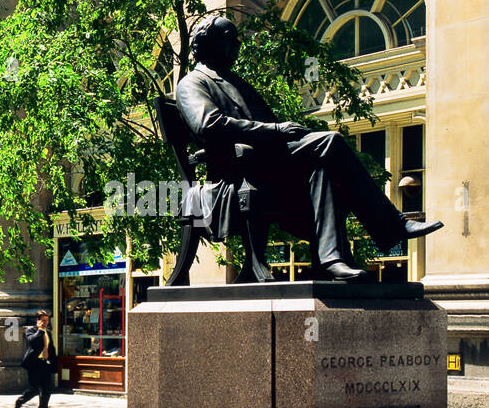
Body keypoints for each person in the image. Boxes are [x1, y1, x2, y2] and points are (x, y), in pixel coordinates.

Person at [175, 16, 442, 281]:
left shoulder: (235, 82)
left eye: (236, 41)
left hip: (268, 163)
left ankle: (332, 260)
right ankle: (391, 226)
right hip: (237, 171)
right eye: (229, 40)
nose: (236, 46)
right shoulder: (192, 83)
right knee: (330, 142)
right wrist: (277, 131)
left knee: (325, 169)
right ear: (206, 43)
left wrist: (277, 133)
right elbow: (208, 125)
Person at [16, 310, 58, 408]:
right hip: (34, 364)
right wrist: (40, 331)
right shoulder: (30, 330)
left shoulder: (48, 332)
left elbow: (51, 348)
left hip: (45, 363)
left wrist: (54, 363)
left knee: (47, 390)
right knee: (34, 389)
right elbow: (31, 341)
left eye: (47, 320)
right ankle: (20, 401)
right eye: (43, 320)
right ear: (38, 321)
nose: (45, 323)